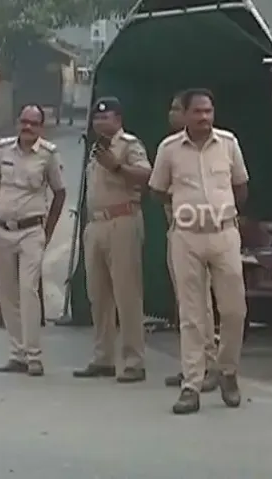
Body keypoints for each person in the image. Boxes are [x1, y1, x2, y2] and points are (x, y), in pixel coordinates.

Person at [148, 88, 249, 415]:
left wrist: (219, 211)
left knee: (234, 310)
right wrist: (187, 209)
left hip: (224, 233)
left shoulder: (229, 144)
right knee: (191, 315)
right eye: (198, 112)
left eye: (209, 111)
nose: (204, 117)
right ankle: (191, 385)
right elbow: (157, 191)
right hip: (187, 236)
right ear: (185, 115)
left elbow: (241, 186)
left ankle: (227, 371)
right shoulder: (169, 149)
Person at [0, 104, 67, 376]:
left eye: (33, 123)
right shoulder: (4, 150)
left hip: (31, 232)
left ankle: (34, 356)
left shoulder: (48, 155)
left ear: (41, 127)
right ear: (17, 123)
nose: (27, 127)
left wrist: (47, 231)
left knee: (28, 291)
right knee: (8, 293)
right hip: (2, 231)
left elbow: (59, 194)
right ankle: (18, 353)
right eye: (23, 122)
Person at [72, 97, 151, 383]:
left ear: (118, 120)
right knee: (98, 296)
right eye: (97, 118)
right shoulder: (95, 151)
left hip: (123, 220)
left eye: (107, 118)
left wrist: (117, 166)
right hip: (96, 224)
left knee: (127, 293)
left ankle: (134, 361)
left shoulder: (128, 145)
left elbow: (146, 176)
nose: (101, 123)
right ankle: (102, 357)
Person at [163, 92, 220, 393]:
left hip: (205, 231)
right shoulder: (170, 150)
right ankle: (192, 365)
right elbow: (159, 189)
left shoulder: (217, 147)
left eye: (176, 109)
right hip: (179, 230)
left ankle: (209, 363)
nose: (172, 114)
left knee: (201, 304)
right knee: (186, 303)